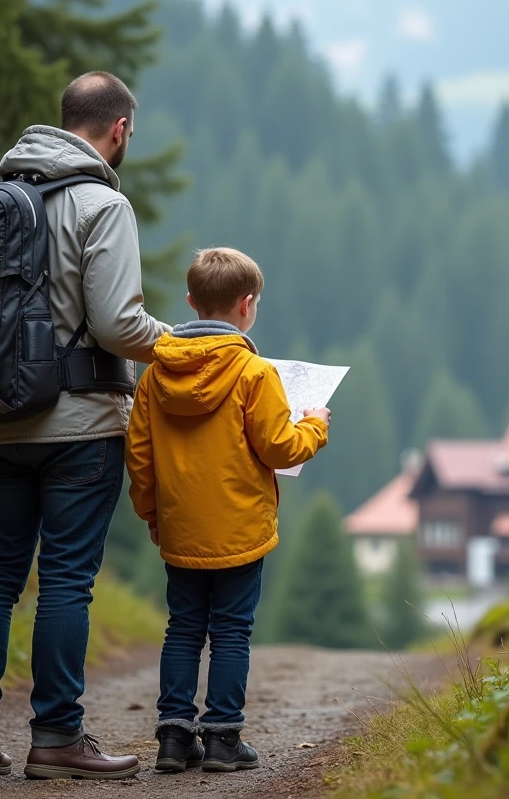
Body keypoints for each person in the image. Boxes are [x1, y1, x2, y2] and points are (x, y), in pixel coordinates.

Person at [0, 72, 168, 781]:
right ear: (119, 129)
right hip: (79, 427)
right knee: (67, 579)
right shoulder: (102, 204)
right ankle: (57, 738)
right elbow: (117, 324)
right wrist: (190, 344)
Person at [125, 247, 331, 773]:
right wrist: (315, 423)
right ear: (248, 304)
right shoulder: (255, 374)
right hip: (241, 529)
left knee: (183, 628)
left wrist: (153, 514)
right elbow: (281, 449)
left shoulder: (154, 375)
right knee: (232, 631)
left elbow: (140, 457)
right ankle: (221, 739)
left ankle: (173, 738)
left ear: (192, 301)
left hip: (179, 527)